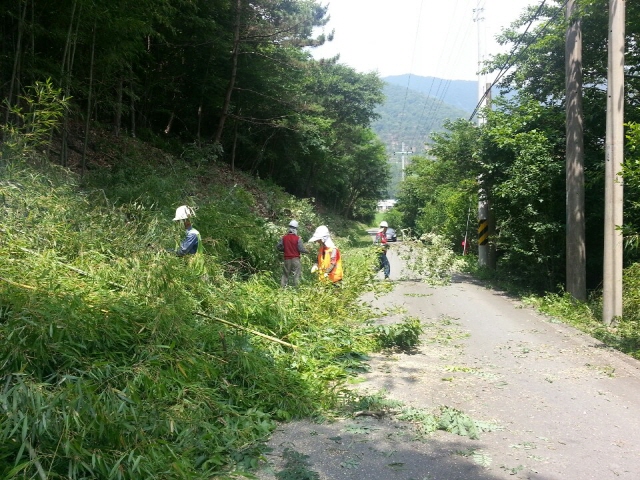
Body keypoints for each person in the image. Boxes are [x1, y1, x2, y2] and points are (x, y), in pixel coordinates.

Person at [276, 220, 307, 287]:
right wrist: (307, 251)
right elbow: (301, 249)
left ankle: (282, 289)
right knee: (296, 275)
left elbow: (278, 247)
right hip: (295, 259)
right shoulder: (298, 238)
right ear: (296, 229)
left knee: (285, 275)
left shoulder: (284, 238)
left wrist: (284, 250)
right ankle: (296, 289)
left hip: (287, 259)